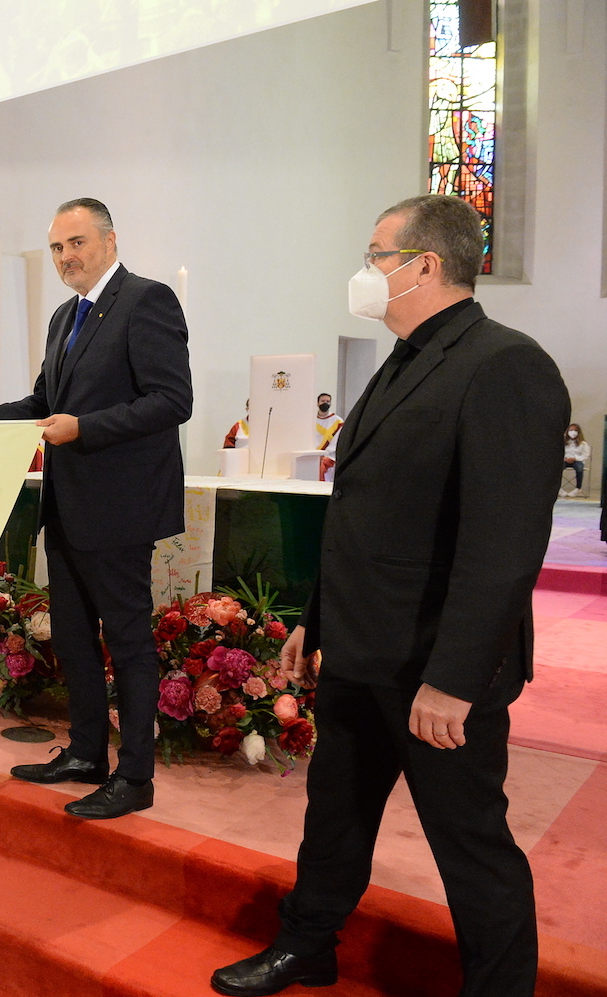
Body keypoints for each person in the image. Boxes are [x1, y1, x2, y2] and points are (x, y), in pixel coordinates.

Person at [211, 195, 569, 997]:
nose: (365, 269)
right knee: (335, 814)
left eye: (376, 254)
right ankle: (308, 943)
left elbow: (504, 545)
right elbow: (362, 514)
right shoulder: (404, 357)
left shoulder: (506, 364)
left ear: (426, 265)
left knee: (469, 844)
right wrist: (314, 621)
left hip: (434, 666)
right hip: (359, 648)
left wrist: (454, 679)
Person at [0, 197, 192, 820]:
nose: (65, 257)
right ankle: (85, 754)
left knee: (128, 643)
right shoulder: (64, 316)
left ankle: (135, 777)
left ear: (109, 240)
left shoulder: (147, 300)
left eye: (76, 243)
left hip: (122, 507)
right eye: (56, 247)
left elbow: (171, 400)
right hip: (70, 506)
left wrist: (85, 429)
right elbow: (42, 403)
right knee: (74, 639)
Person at [562, 422, 590, 496]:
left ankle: (578, 488)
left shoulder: (583, 443)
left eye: (575, 430)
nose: (573, 432)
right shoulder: (563, 442)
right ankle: (558, 488)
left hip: (577, 460)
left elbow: (586, 455)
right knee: (557, 467)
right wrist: (565, 458)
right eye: (571, 430)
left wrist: (575, 458)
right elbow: (559, 452)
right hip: (565, 460)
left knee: (579, 467)